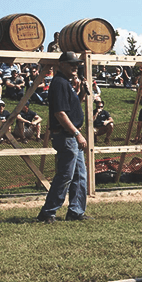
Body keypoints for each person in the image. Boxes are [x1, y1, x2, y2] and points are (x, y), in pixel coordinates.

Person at [36, 52, 90, 224]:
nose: (75, 67)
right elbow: (60, 114)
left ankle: (76, 211)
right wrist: (77, 134)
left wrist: (81, 92)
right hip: (67, 136)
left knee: (80, 175)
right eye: (71, 64)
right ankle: (48, 212)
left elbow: (72, 110)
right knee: (66, 175)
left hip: (71, 136)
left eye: (77, 64)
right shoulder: (59, 83)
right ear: (61, 65)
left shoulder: (66, 84)